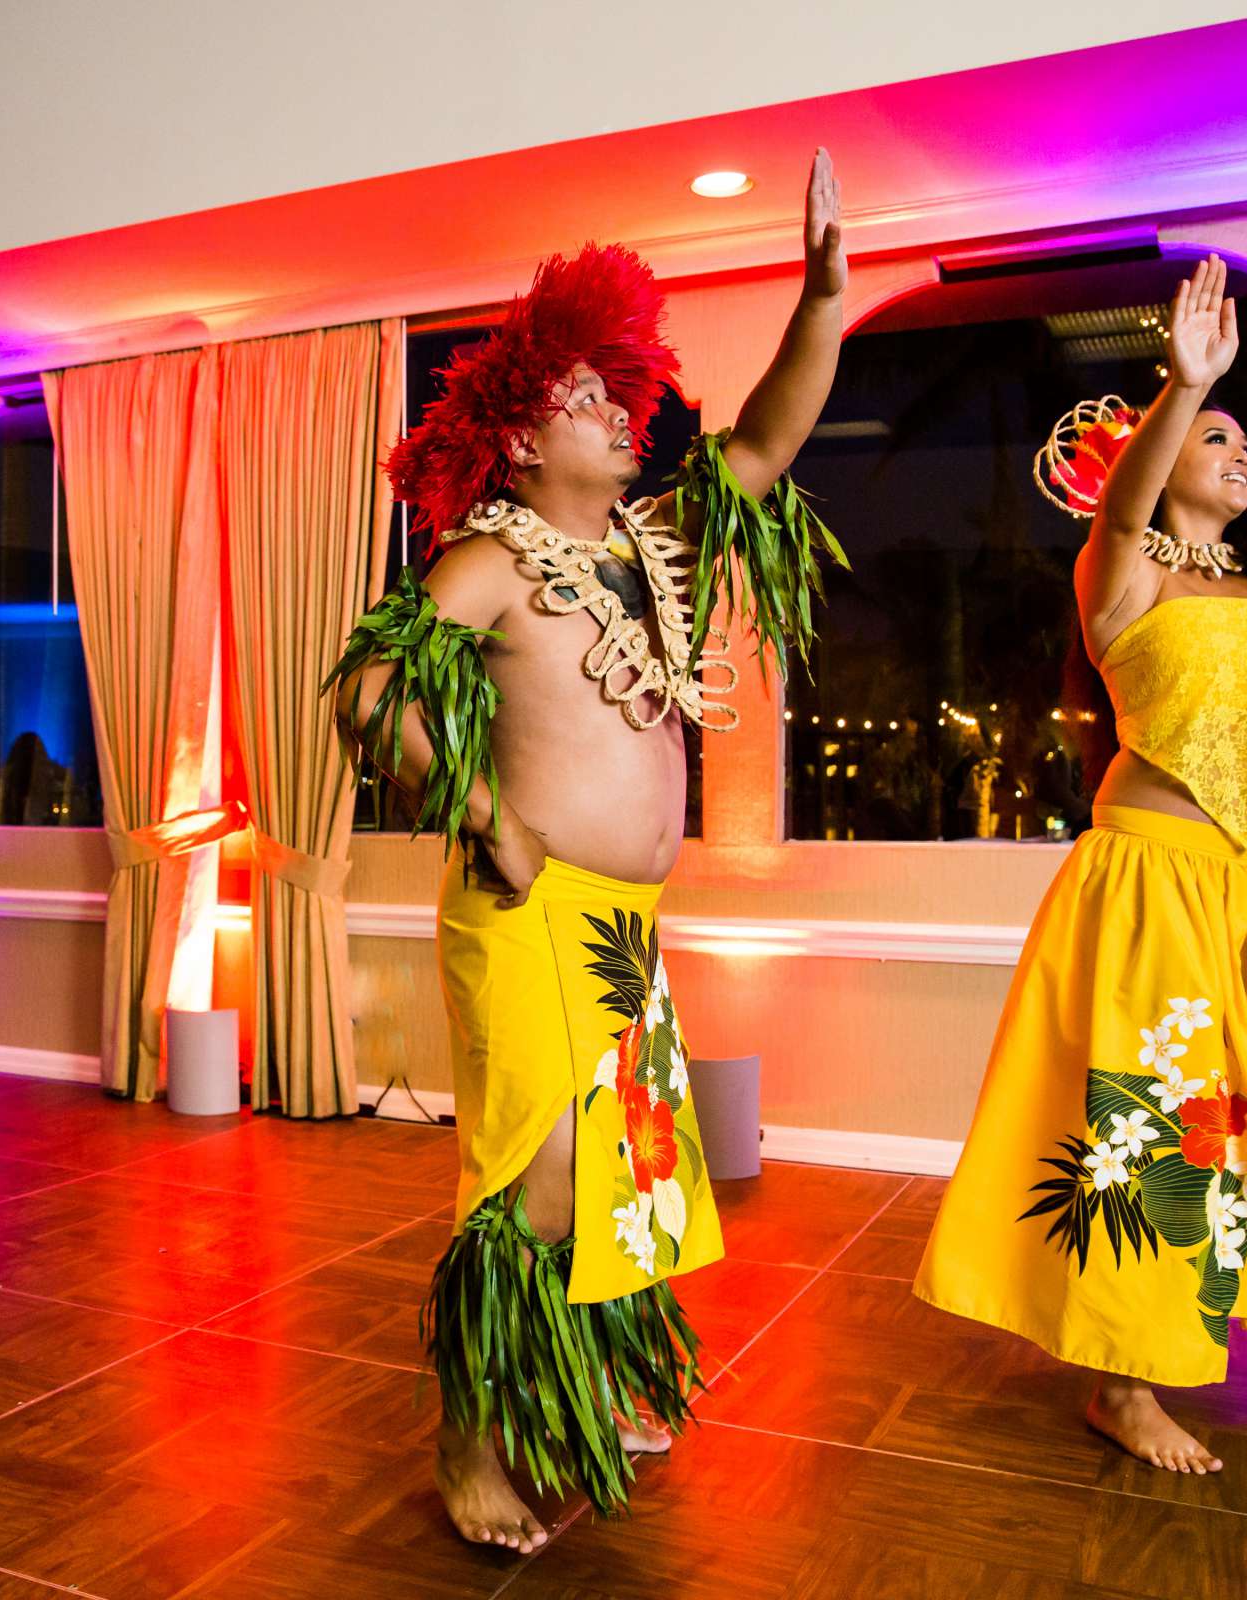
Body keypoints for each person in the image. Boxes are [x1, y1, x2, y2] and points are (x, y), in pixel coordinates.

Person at [331, 150, 849, 1550]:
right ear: (514, 439)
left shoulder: (645, 545)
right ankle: (472, 1446)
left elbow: (759, 450)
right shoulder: (488, 560)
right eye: (581, 400)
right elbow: (366, 698)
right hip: (526, 908)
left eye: (621, 394)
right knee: (539, 1177)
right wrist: (489, 816)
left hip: (619, 925)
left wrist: (821, 301)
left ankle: (591, 1380)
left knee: (620, 1172)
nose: (620, 416)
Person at [914, 183, 1247, 1472]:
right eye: (1220, 439)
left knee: (1242, 1131)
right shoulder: (1122, 573)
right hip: (1152, 882)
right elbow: (1125, 507)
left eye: (1244, 440)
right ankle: (1123, 1382)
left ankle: (1159, 1350)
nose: (1238, 452)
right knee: (1148, 1127)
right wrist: (1184, 389)